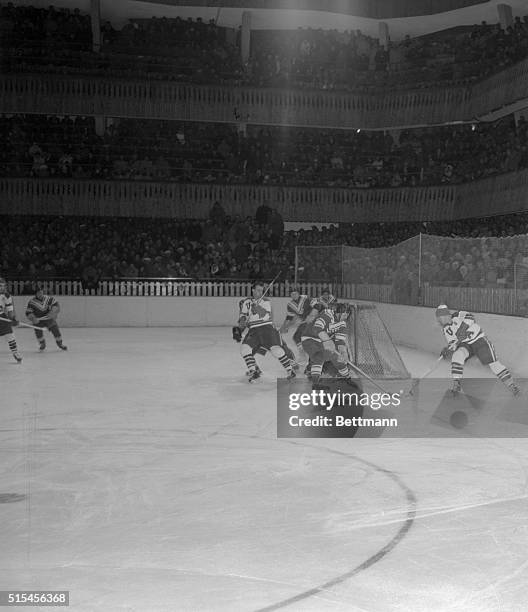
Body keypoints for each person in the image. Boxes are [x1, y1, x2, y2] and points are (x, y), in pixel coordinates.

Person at [436, 304, 519, 395]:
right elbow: (453, 343)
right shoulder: (446, 329)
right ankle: (457, 383)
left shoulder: (458, 315)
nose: (439, 320)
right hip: (465, 345)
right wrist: (449, 349)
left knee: (493, 364)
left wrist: (463, 328)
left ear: (445, 316)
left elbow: (470, 317)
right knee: (457, 355)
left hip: (479, 340)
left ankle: (511, 385)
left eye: (440, 318)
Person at [237, 281, 296, 382]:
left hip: (266, 328)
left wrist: (258, 308)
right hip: (254, 330)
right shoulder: (246, 302)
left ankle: (290, 370)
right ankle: (253, 371)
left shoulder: (265, 301)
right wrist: (242, 322)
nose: (260, 292)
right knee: (244, 349)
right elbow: (243, 315)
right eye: (258, 290)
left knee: (275, 350)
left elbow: (265, 315)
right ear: (253, 290)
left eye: (261, 290)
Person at [301, 301, 354, 390]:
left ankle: (347, 378)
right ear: (339, 312)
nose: (346, 317)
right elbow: (317, 328)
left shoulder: (343, 324)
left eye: (347, 315)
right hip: (310, 338)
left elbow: (340, 341)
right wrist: (327, 341)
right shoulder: (327, 314)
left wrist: (343, 353)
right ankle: (316, 383)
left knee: (338, 358)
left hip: (323, 342)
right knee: (319, 356)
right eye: (345, 314)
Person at [279, 286, 318, 362]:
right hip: (306, 323)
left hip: (316, 321)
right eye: (292, 294)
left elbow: (317, 306)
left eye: (295, 293)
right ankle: (303, 354)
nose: (294, 295)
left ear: (299, 293)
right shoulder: (290, 305)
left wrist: (311, 315)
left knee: (310, 338)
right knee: (296, 337)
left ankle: (313, 357)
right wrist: (284, 327)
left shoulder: (306, 298)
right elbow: (289, 318)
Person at [25, 284, 68, 351]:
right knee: (38, 333)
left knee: (55, 330)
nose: (40, 294)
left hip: (48, 318)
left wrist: (52, 312)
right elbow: (28, 312)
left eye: (41, 292)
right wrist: (33, 318)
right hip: (38, 320)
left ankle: (60, 344)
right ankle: (42, 344)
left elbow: (56, 305)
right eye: (39, 293)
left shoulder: (49, 299)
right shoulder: (31, 302)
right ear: (35, 294)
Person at [0, 277, 22, 363]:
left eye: (3, 286)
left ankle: (15, 353)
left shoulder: (6, 295)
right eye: (0, 286)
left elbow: (10, 310)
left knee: (10, 335)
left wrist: (13, 319)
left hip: (2, 317)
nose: (1, 288)